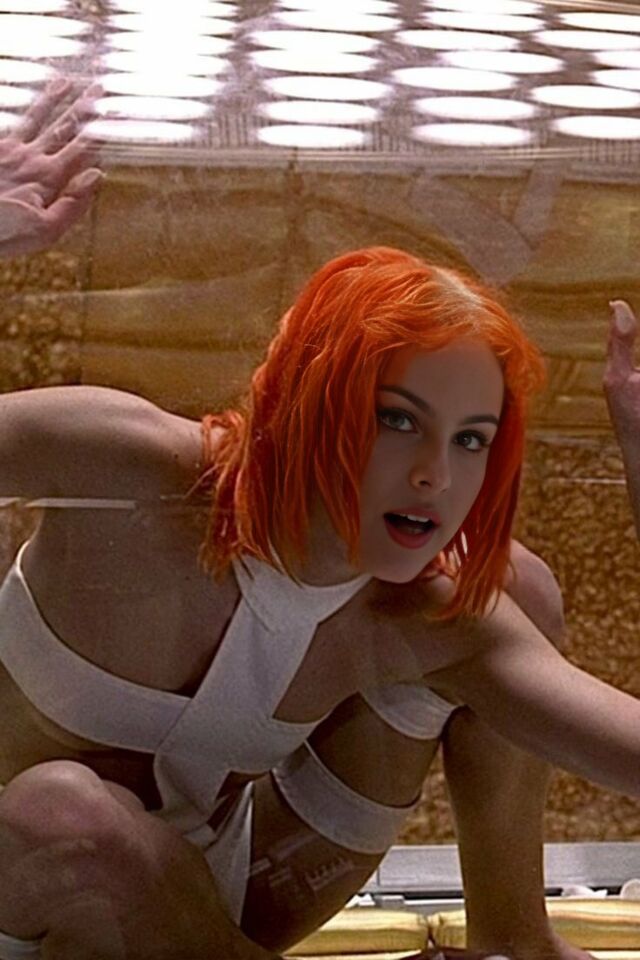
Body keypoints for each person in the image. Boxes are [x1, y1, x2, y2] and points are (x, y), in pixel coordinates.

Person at [0, 83, 638, 960]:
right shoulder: (125, 466)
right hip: (20, 884)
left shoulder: (414, 614)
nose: (435, 475)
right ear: (313, 402)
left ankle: (515, 943)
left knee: (510, 585)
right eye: (399, 420)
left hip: (218, 904)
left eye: (472, 439)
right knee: (65, 815)